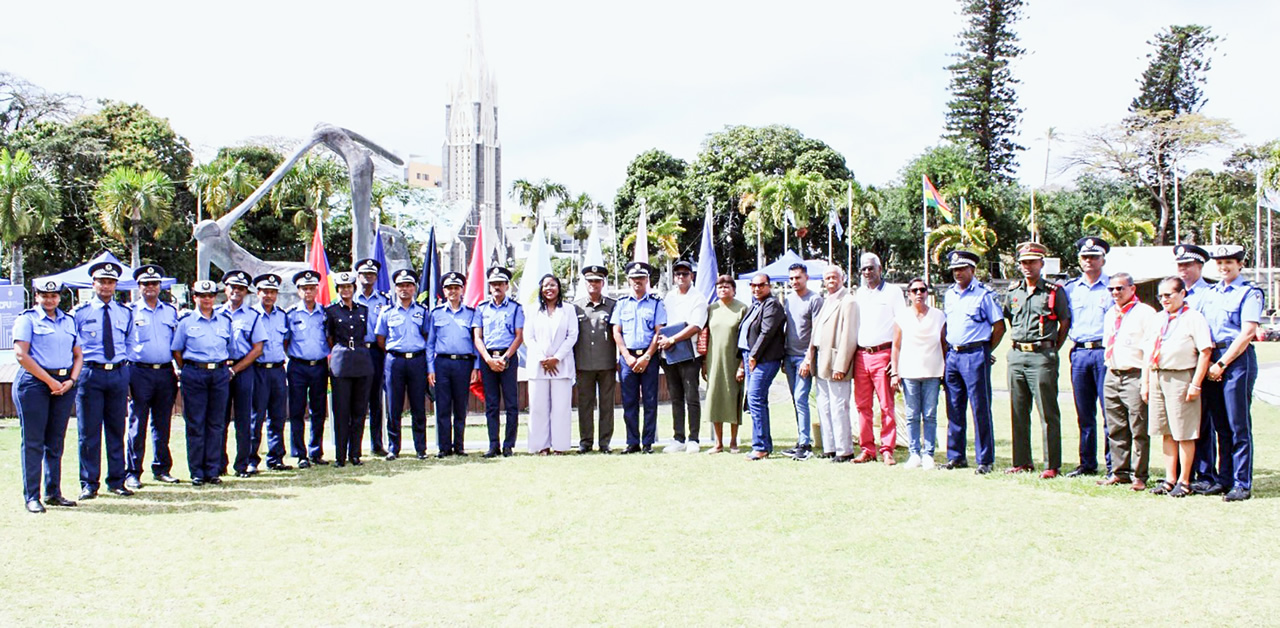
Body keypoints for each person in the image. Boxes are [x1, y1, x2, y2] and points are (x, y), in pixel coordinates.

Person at [1200, 244, 1263, 501]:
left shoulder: (1249, 293)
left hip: (1235, 361)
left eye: (1229, 262)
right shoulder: (1211, 293)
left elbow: (1247, 333)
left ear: (1240, 265)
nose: (1224, 267)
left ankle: (1241, 482)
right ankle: (1223, 479)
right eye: (1219, 263)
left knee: (1238, 425)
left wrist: (1222, 364)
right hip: (1212, 358)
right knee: (1220, 426)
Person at [13, 279, 82, 513]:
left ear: (60, 297)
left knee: (55, 441)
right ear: (37, 296)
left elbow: (78, 354)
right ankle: (32, 496)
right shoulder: (28, 319)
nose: (50, 299)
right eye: (45, 295)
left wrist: (71, 380)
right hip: (35, 384)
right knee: (34, 442)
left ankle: (53, 492)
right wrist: (50, 381)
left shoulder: (69, 320)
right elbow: (22, 355)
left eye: (54, 296)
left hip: (63, 384)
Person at [1003, 242, 1070, 479]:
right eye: (1023, 262)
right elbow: (1009, 319)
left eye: (1032, 262)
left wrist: (1051, 348)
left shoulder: (1053, 291)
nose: (1027, 267)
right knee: (1018, 410)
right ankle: (1021, 461)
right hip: (1017, 355)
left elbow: (1064, 323)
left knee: (1047, 412)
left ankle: (1051, 464)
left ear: (1042, 263)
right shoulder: (1014, 291)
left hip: (1042, 356)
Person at [1142, 276, 1213, 498]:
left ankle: (1184, 480)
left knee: (1184, 431)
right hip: (1157, 375)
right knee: (1165, 431)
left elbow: (1205, 351)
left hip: (1181, 377)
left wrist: (1195, 384)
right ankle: (1169, 478)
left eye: (1169, 295)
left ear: (1182, 294)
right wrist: (1145, 383)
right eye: (1160, 296)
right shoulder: (1157, 319)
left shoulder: (1193, 318)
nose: (1164, 299)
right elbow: (1147, 352)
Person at [73, 260, 134, 499]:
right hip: (91, 373)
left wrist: (123, 367)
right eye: (102, 282)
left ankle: (117, 480)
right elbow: (73, 346)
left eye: (110, 282)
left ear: (116, 285)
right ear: (93, 284)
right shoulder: (80, 313)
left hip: (118, 373)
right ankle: (89, 483)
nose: (106, 286)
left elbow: (129, 342)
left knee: (116, 429)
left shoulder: (124, 312)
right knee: (88, 432)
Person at [942, 250, 1005, 475]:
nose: (958, 273)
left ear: (973, 270)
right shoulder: (949, 294)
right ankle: (956, 456)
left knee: (980, 408)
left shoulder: (983, 294)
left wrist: (986, 350)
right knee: (954, 408)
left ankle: (984, 459)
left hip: (974, 354)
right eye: (954, 270)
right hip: (953, 356)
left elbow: (999, 326)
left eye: (962, 269)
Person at [171, 279, 235, 486]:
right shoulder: (186, 322)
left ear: (215, 298)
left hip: (218, 373)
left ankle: (213, 470)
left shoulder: (225, 321)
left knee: (216, 423)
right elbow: (177, 350)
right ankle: (197, 471)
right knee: (196, 423)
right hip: (195, 373)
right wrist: (189, 368)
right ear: (195, 297)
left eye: (210, 296)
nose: (207, 299)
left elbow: (230, 348)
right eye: (202, 296)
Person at [124, 264, 181, 489]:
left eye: (154, 283)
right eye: (146, 284)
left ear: (160, 286)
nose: (150, 287)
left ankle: (162, 468)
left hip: (165, 372)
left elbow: (176, 344)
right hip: (139, 372)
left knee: (162, 424)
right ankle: (133, 472)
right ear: (139, 287)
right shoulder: (129, 312)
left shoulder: (170, 311)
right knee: (137, 424)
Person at [1100, 272, 1156, 490]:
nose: (1115, 293)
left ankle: (1140, 475)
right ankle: (1119, 471)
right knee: (1115, 427)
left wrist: (1146, 380)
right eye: (1112, 289)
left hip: (1134, 373)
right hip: (1113, 373)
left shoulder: (1145, 313)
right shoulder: (1110, 314)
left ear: (1132, 289)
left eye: (1120, 288)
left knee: (1138, 427)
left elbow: (1150, 348)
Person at [1172, 244, 1219, 495]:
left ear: (1200, 266)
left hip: (1200, 365)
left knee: (1203, 421)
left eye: (1188, 265)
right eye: (1180, 266)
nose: (1184, 270)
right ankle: (1181, 474)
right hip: (1178, 368)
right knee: (1180, 423)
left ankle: (1205, 473)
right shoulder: (1173, 292)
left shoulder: (1209, 294)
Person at [1064, 237, 1112, 477]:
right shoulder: (1071, 288)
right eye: (1085, 257)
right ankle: (1087, 463)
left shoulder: (1113, 286)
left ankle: (1114, 464)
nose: (1089, 261)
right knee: (1084, 413)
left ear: (1103, 259)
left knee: (1109, 411)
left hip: (1105, 352)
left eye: (1094, 256)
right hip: (1080, 352)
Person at [853, 252, 905, 465]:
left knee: (886, 405)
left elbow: (901, 325)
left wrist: (896, 358)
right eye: (864, 269)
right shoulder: (859, 294)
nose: (867, 272)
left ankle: (887, 449)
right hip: (861, 355)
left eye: (871, 268)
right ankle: (867, 449)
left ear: (880, 269)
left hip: (884, 354)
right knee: (862, 406)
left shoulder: (893, 292)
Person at [611, 261, 667, 454]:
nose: (638, 282)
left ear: (647, 281)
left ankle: (648, 443)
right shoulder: (621, 304)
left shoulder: (656, 303)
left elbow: (658, 331)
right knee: (629, 402)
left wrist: (647, 356)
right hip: (627, 359)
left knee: (650, 401)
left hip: (649, 357)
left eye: (641, 278)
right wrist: (627, 356)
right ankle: (632, 442)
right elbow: (616, 332)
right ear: (629, 281)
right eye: (634, 279)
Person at [891, 277, 945, 470]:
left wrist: (945, 371)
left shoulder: (939, 316)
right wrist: (894, 372)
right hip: (909, 373)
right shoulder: (902, 317)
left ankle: (928, 453)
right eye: (915, 291)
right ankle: (914, 453)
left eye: (922, 290)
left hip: (932, 372)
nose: (919, 294)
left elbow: (944, 344)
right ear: (909, 295)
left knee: (930, 414)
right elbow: (896, 347)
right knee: (913, 415)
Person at [472, 266, 525, 458]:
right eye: (493, 284)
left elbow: (519, 336)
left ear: (506, 286)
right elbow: (477, 336)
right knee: (491, 404)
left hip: (508, 358)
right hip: (487, 359)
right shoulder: (481, 308)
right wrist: (487, 358)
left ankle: (508, 445)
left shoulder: (515, 308)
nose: (496, 287)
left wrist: (504, 358)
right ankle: (493, 444)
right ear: (489, 286)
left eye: (500, 284)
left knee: (511, 404)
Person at [524, 274, 579, 454]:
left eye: (553, 285)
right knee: (538, 407)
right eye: (546, 285)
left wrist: (556, 358)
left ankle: (561, 446)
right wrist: (543, 358)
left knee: (561, 408)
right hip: (538, 366)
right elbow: (528, 337)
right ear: (541, 289)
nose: (549, 289)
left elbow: (572, 335)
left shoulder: (569, 310)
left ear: (558, 288)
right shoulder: (532, 310)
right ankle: (540, 446)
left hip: (561, 366)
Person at [218, 269, 265, 478]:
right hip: (218, 369)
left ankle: (242, 464)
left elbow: (257, 349)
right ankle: (218, 463)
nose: (236, 291)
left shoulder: (253, 316)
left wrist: (235, 369)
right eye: (233, 287)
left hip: (243, 369)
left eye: (241, 288)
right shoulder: (215, 313)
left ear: (246, 292)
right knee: (219, 420)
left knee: (244, 419)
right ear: (225, 289)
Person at [656, 259, 707, 454]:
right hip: (669, 354)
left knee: (691, 396)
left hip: (689, 353)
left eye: (685, 274)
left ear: (691, 276)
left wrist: (672, 340)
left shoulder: (698, 298)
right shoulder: (669, 296)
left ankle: (694, 438)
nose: (680, 277)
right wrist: (666, 341)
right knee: (675, 397)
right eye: (677, 274)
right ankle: (679, 438)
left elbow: (695, 326)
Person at [810, 266, 859, 462]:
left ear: (842, 278)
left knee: (839, 406)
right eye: (827, 277)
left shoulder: (849, 301)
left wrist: (842, 365)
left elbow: (849, 335)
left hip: (836, 360)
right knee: (824, 406)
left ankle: (844, 450)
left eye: (834, 277)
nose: (830, 280)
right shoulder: (825, 300)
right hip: (821, 359)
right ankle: (829, 447)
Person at [326, 271, 374, 467]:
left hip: (362, 361)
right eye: (342, 287)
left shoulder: (363, 310)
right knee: (341, 410)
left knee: (359, 410)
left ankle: (355, 453)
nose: (346, 290)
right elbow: (330, 338)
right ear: (338, 290)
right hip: (341, 361)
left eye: (349, 287)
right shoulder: (331, 311)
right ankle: (340, 455)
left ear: (354, 289)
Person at [382, 268, 431, 459]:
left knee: (418, 406)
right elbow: (381, 338)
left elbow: (426, 335)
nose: (405, 289)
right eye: (401, 285)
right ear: (395, 289)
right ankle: (394, 448)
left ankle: (420, 448)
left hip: (417, 361)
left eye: (409, 285)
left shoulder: (422, 312)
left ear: (414, 289)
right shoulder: (387, 312)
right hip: (395, 361)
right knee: (394, 406)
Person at [285, 270, 330, 468]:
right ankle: (300, 453)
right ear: (298, 291)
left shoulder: (325, 313)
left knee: (318, 410)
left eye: (312, 288)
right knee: (296, 410)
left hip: (319, 366)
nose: (308, 292)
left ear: (317, 290)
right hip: (298, 366)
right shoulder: (291, 314)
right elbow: (286, 341)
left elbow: (329, 339)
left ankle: (315, 451)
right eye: (304, 288)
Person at [425, 271, 472, 457]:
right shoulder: (436, 314)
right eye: (449, 288)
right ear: (444, 291)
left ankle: (459, 446)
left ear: (462, 290)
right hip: (442, 364)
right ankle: (444, 447)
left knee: (461, 406)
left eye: (456, 287)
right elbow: (430, 344)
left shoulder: (470, 313)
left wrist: (475, 367)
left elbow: (475, 341)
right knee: (443, 406)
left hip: (463, 364)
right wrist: (430, 368)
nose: (453, 291)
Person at [740, 273, 785, 461]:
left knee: (755, 399)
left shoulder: (772, 304)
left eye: (761, 285)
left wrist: (753, 355)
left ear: (769, 286)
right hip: (750, 357)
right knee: (757, 401)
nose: (757, 288)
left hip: (764, 359)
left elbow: (766, 332)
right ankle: (762, 444)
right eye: (753, 285)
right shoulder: (755, 305)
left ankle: (760, 447)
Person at [250, 273, 293, 471]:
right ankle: (251, 459)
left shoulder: (282, 315)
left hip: (277, 370)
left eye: (273, 292)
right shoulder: (251, 315)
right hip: (257, 370)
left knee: (277, 417)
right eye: (265, 291)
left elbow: (285, 342)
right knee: (256, 417)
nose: (269, 295)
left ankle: (276, 459)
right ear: (257, 293)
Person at [573, 264, 617, 454]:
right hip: (583, 363)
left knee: (606, 405)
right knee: (585, 404)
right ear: (585, 283)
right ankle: (586, 442)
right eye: (590, 281)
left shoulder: (612, 305)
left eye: (597, 281)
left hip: (606, 363)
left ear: (603, 283)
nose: (594, 284)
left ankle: (605, 442)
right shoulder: (575, 307)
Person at [781, 263, 822, 461]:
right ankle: (801, 440)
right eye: (791, 279)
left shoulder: (814, 300)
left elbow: (816, 331)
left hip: (804, 358)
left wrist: (809, 358)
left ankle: (806, 444)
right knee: (796, 401)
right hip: (788, 357)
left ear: (806, 278)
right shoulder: (788, 300)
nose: (795, 282)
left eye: (798, 278)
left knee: (800, 398)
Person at [704, 275, 746, 453]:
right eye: (720, 287)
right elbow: (705, 337)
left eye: (727, 286)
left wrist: (742, 365)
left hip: (733, 361)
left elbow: (746, 339)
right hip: (713, 361)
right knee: (715, 398)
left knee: (732, 398)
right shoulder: (711, 309)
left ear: (734, 289)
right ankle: (718, 443)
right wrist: (703, 363)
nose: (723, 289)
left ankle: (734, 441)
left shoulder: (742, 308)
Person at [355, 258, 391, 457]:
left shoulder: (385, 300)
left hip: (377, 352)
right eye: (363, 274)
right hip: (356, 352)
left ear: (376, 277)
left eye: (371, 274)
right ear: (358, 277)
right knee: (357, 400)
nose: (367, 277)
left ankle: (377, 444)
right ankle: (355, 445)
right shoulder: (350, 299)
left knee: (376, 400)